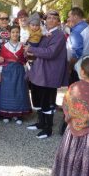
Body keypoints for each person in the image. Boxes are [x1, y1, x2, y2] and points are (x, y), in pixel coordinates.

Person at [26, 10, 68, 139]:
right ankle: (40, 123)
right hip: (38, 71)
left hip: (50, 73)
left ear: (58, 21)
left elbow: (50, 53)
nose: (50, 20)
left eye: (54, 18)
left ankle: (48, 128)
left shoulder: (59, 35)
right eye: (48, 17)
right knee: (37, 99)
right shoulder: (43, 33)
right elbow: (34, 46)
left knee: (47, 101)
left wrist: (31, 49)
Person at [0, 25, 31, 124]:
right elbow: (1, 62)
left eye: (17, 32)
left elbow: (26, 61)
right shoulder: (4, 46)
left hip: (20, 71)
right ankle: (6, 114)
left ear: (19, 33)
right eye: (13, 32)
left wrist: (27, 73)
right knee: (7, 92)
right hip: (7, 72)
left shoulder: (23, 46)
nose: (15, 34)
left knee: (19, 92)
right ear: (9, 34)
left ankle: (18, 115)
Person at [67, 7, 89, 84]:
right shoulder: (86, 26)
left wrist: (70, 68)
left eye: (69, 16)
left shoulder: (77, 30)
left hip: (77, 67)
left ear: (75, 16)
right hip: (85, 64)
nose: (68, 19)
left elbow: (76, 53)